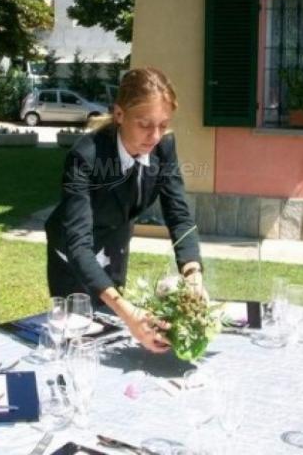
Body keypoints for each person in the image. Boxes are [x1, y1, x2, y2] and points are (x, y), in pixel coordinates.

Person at [45, 67, 203, 353]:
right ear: (119, 114)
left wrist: (192, 272)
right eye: (145, 124)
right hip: (73, 249)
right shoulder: (85, 156)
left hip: (115, 239)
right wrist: (127, 312)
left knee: (113, 330)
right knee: (79, 338)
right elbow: (78, 244)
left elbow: (178, 213)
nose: (155, 136)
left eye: (163, 125)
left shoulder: (164, 146)